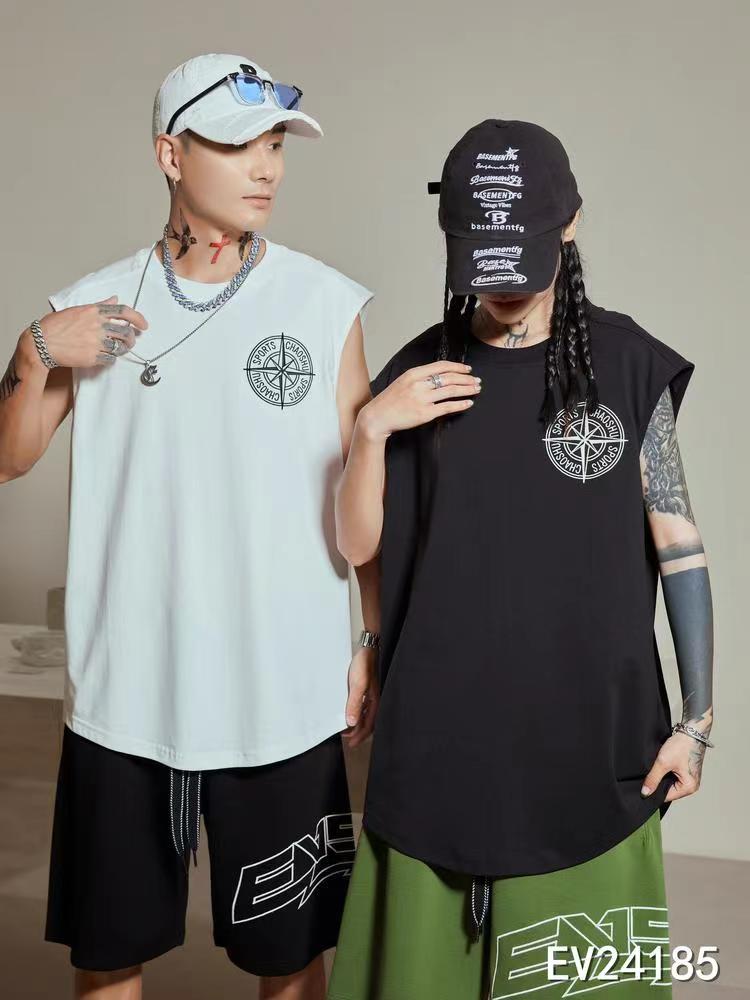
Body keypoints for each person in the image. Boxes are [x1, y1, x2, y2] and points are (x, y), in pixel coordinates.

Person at [0, 53, 380, 1000]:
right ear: (171, 155)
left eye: (276, 144)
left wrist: (372, 638)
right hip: (129, 691)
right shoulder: (94, 306)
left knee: (292, 960)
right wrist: (36, 349)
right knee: (108, 954)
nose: (267, 167)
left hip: (281, 692)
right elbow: (8, 458)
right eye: (238, 144)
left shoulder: (325, 304)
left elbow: (364, 494)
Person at [327, 119, 714, 999]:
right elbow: (358, 546)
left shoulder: (628, 366)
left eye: (521, 258)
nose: (502, 286)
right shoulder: (418, 374)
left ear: (569, 224)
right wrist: (372, 428)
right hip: (439, 739)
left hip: (590, 743)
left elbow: (681, 546)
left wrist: (695, 721)